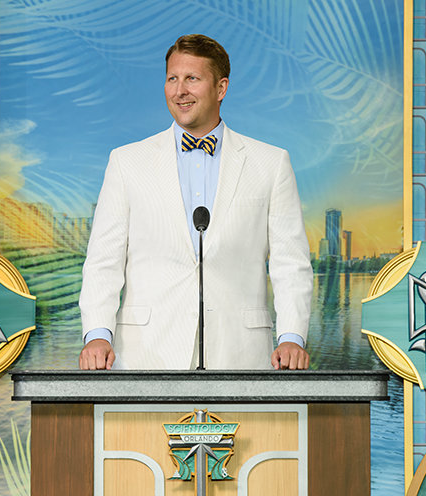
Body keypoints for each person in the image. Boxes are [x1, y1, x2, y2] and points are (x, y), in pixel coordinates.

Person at [79, 34, 312, 371]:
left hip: (240, 354)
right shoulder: (126, 162)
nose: (179, 91)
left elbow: (290, 264)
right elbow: (103, 261)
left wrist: (292, 337)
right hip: (144, 354)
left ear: (221, 88)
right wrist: (98, 334)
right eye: (172, 78)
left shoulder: (271, 163)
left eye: (192, 78)